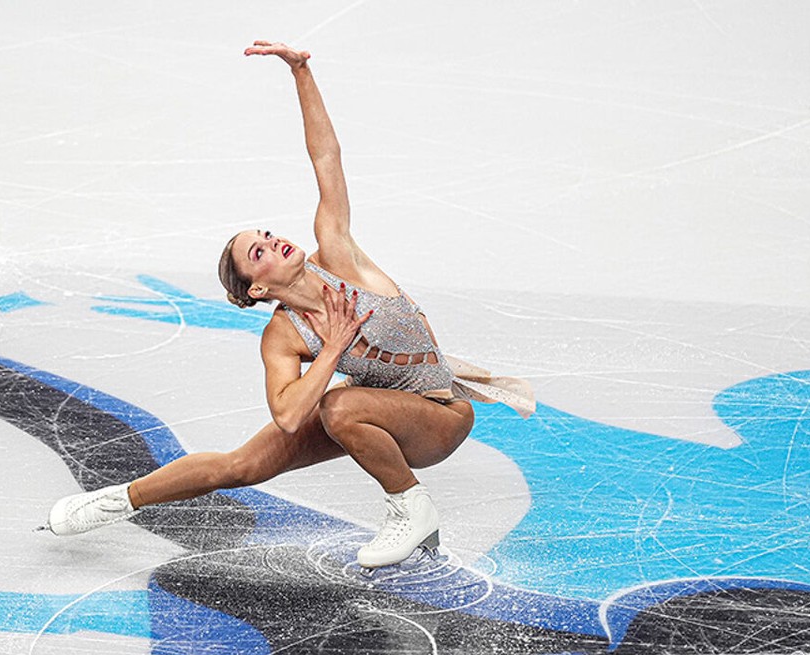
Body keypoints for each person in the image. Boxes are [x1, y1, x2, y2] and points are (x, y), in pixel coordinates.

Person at [43, 41, 526, 568]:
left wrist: (301, 72)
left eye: (268, 235)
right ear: (256, 287)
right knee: (242, 465)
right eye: (259, 251)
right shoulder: (284, 335)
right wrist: (333, 348)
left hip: (438, 418)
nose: (274, 242)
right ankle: (117, 500)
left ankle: (411, 508)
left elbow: (326, 158)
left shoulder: (338, 256)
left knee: (339, 404)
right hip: (370, 410)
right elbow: (289, 416)